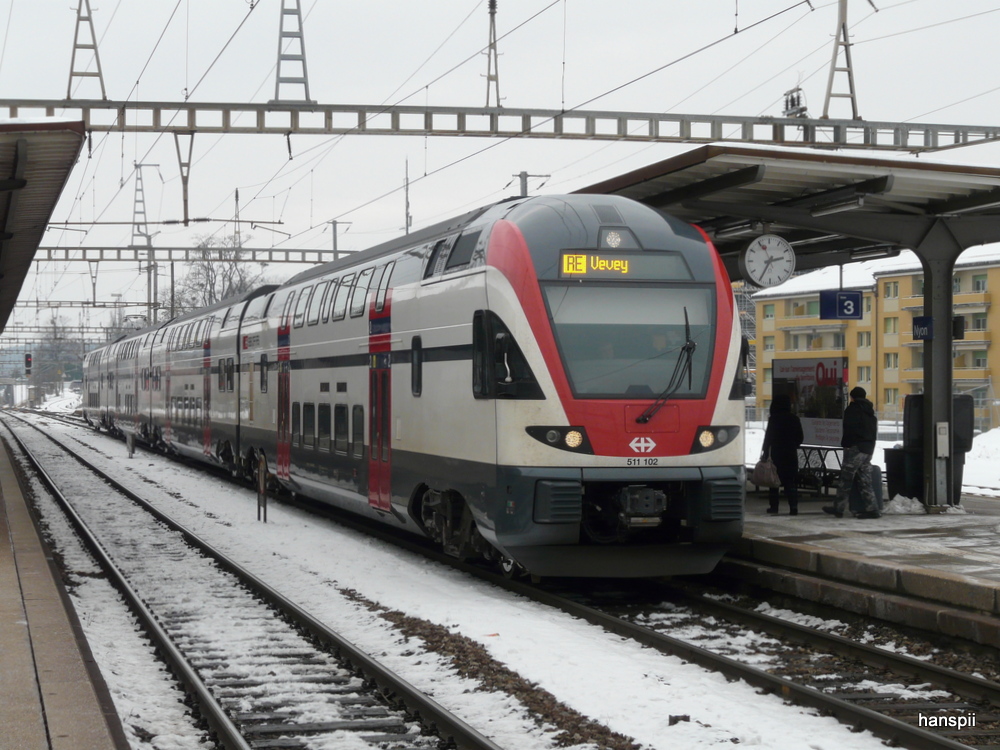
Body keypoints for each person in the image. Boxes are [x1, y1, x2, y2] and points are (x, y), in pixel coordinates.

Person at [824, 386, 879, 519]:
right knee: (865, 480)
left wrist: (846, 445)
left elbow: (849, 429)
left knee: (845, 479)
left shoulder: (852, 410)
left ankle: (838, 508)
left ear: (852, 397)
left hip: (855, 448)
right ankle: (872, 509)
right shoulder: (870, 412)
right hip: (868, 449)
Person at [761, 393, 804, 515]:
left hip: (776, 453)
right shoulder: (794, 419)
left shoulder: (774, 419)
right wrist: (793, 444)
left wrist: (765, 451)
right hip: (790, 453)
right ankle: (793, 507)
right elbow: (800, 437)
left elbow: (768, 437)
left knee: (773, 480)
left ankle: (774, 507)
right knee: (790, 481)